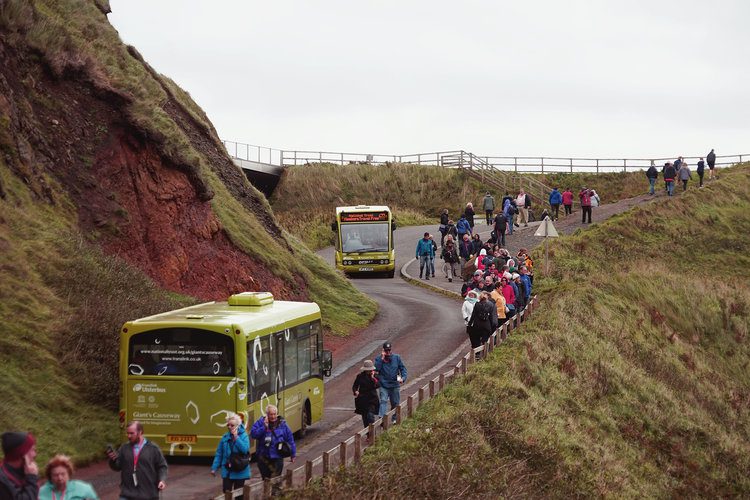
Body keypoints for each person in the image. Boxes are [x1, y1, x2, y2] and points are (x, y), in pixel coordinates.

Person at [107, 421, 168, 500]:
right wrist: (113, 460)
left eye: (132, 433)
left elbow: (162, 466)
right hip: (127, 494)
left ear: (140, 432)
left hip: (148, 495)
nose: (129, 436)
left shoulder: (153, 448)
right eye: (127, 433)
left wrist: (162, 480)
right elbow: (117, 467)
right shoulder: (124, 448)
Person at [211, 413, 250, 494]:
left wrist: (236, 438)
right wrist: (214, 468)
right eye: (228, 425)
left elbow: (245, 450)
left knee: (239, 495)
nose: (229, 427)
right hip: (227, 470)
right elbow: (219, 453)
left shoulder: (244, 436)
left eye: (232, 425)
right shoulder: (225, 437)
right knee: (226, 493)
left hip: (240, 470)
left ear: (238, 425)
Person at [0, 431, 38, 499]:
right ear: (22, 455)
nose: (35, 454)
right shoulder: (2, 481)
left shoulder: (24, 470)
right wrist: (32, 478)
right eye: (32, 450)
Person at [373, 342, 407, 418]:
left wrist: (403, 378)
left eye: (389, 350)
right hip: (383, 384)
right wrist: (382, 358)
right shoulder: (379, 359)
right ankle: (381, 419)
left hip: (394, 384)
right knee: (383, 401)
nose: (388, 352)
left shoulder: (397, 357)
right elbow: (376, 369)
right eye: (386, 350)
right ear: (383, 350)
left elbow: (403, 369)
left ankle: (394, 418)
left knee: (395, 403)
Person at [467, 292, 498, 358]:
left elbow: (473, 315)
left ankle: (477, 354)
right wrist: (492, 325)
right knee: (485, 341)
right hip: (486, 325)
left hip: (477, 325)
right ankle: (485, 354)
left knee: (477, 340)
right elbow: (491, 317)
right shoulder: (490, 305)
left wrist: (469, 324)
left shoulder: (477, 304)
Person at [352, 360, 380, 428]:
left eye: (370, 370)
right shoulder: (360, 376)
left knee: (370, 416)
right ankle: (368, 435)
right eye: (368, 370)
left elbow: (377, 385)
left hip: (372, 399)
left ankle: (372, 433)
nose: (369, 371)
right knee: (365, 418)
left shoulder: (375, 376)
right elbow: (355, 386)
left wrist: (373, 378)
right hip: (362, 399)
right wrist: (355, 391)